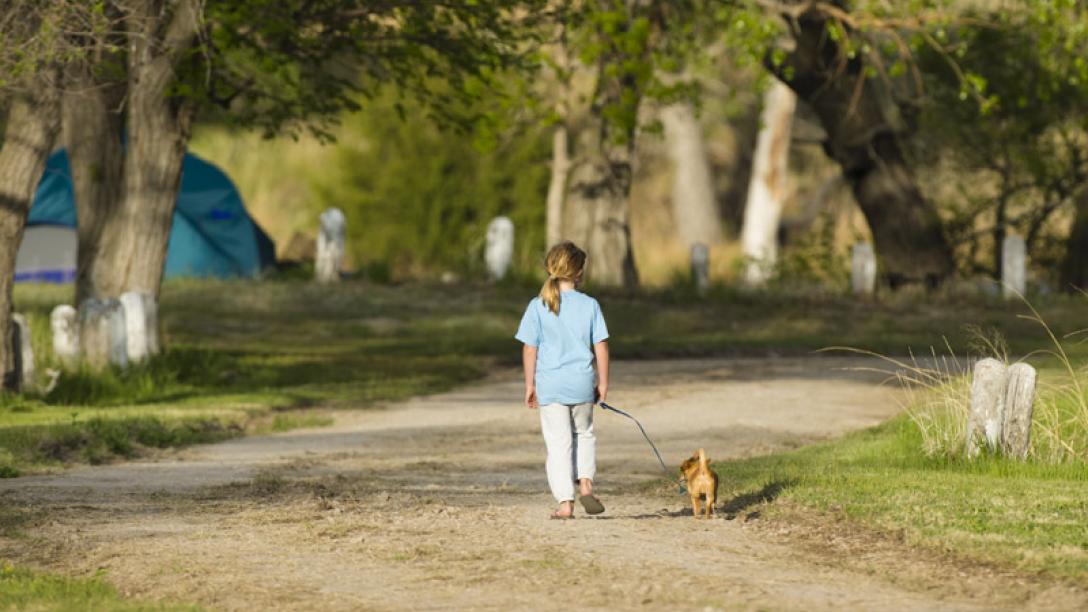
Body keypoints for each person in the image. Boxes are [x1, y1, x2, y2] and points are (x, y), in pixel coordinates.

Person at [515, 241, 610, 519]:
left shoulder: (538, 305)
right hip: (581, 383)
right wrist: (602, 383)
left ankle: (565, 503)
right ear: (579, 273)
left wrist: (530, 384)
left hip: (551, 385)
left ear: (550, 268)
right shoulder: (590, 305)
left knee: (558, 443)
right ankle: (586, 485)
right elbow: (601, 346)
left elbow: (529, 348)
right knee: (584, 433)